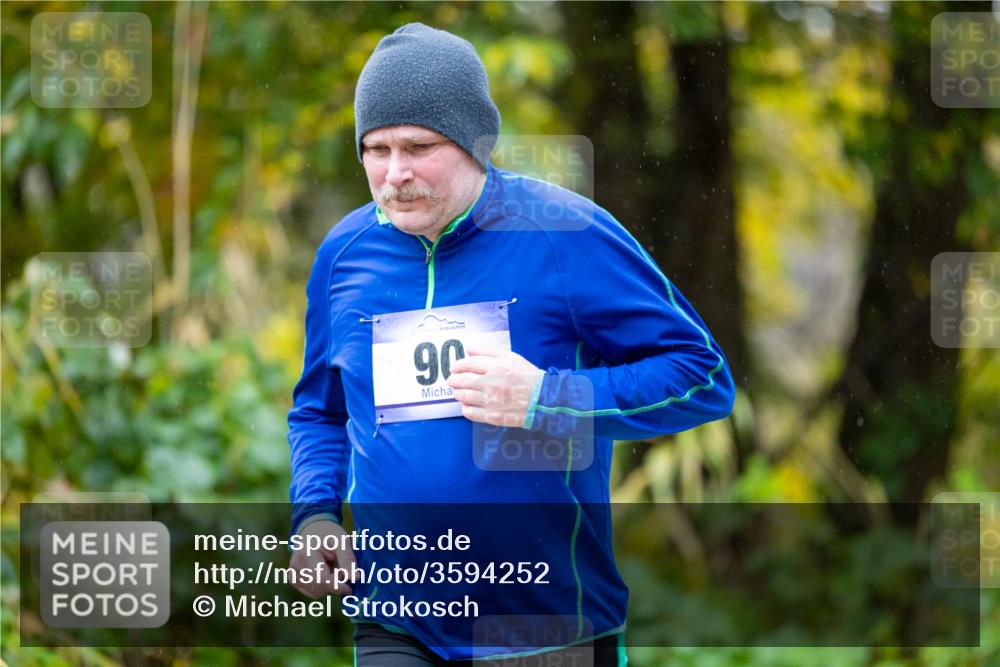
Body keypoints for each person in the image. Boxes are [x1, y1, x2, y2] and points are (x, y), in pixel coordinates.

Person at [287, 22, 735, 666]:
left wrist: (548, 397)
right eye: (375, 150)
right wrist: (315, 517)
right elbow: (319, 412)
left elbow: (701, 377)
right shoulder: (344, 255)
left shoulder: (565, 234)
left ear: (474, 141)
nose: (394, 175)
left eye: (418, 146)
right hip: (398, 622)